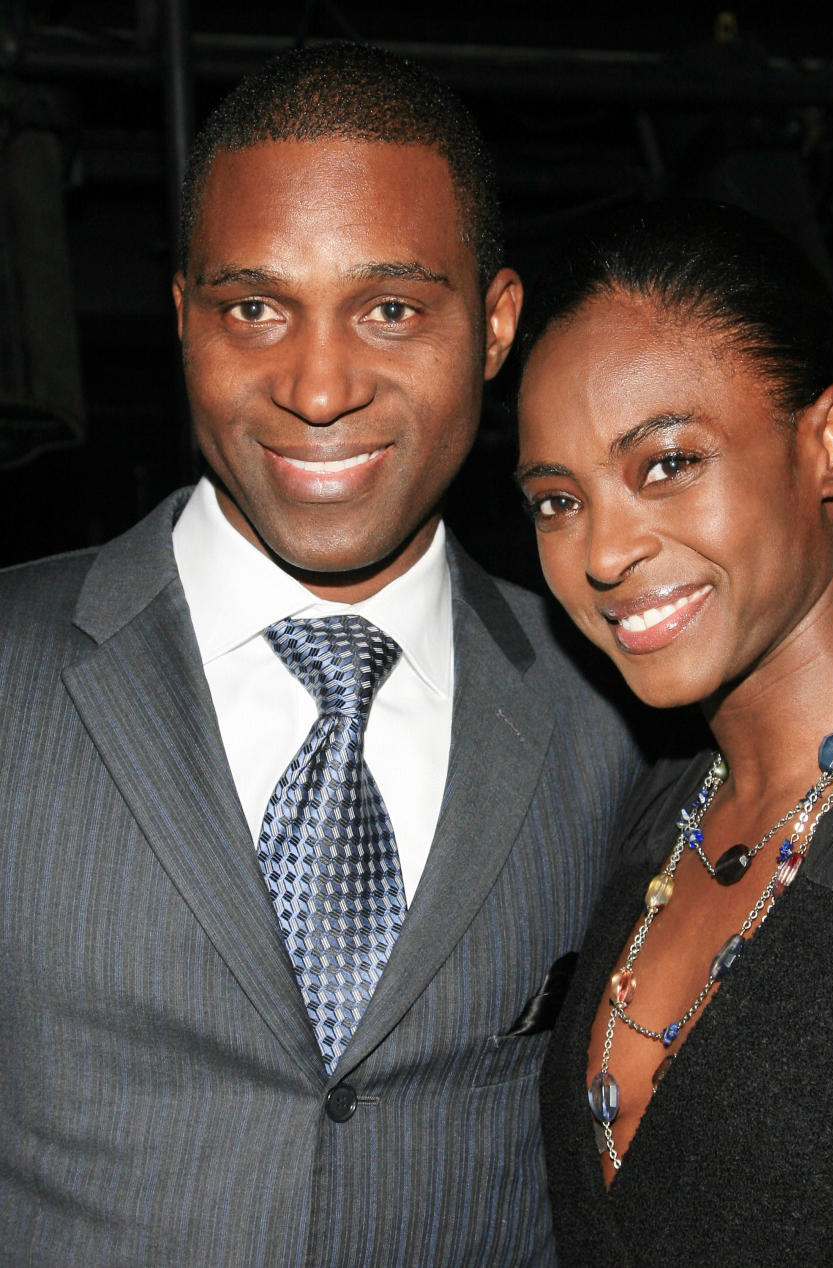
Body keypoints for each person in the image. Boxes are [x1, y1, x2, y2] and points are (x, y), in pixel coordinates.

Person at [0, 44, 644, 1266]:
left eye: (391, 308)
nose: (318, 384)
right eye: (255, 307)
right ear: (183, 312)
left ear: (496, 324)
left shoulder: (615, 713)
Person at [516, 200, 833, 1266]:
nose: (604, 551)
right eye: (556, 500)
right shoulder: (656, 806)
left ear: (831, 443)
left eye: (666, 462)